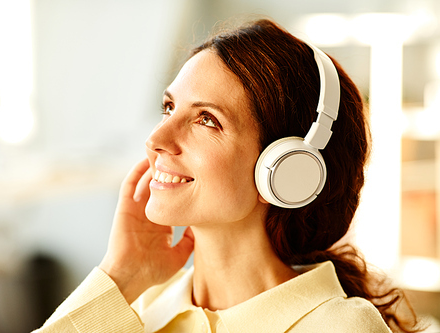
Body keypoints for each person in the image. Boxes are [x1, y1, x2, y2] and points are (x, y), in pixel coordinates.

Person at [33, 18, 422, 333]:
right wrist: (121, 275)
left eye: (207, 119)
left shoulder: (338, 327)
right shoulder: (140, 307)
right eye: (169, 107)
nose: (156, 139)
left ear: (288, 169)